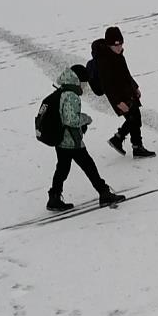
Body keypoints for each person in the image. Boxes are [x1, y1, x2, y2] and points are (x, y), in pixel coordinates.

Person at [47, 65, 124, 211]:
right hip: (71, 139)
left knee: (63, 168)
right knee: (88, 166)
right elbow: (71, 120)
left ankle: (54, 197)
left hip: (61, 139)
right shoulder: (71, 95)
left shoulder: (63, 90)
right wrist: (86, 119)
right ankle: (104, 193)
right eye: (84, 82)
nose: (86, 86)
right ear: (79, 80)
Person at [90, 26, 156, 158]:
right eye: (116, 45)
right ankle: (136, 147)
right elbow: (107, 85)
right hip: (119, 96)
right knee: (134, 118)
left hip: (127, 92)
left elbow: (126, 74)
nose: (119, 47)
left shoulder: (118, 55)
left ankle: (119, 139)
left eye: (120, 44)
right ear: (109, 45)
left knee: (134, 118)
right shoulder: (104, 60)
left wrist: (135, 87)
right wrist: (117, 102)